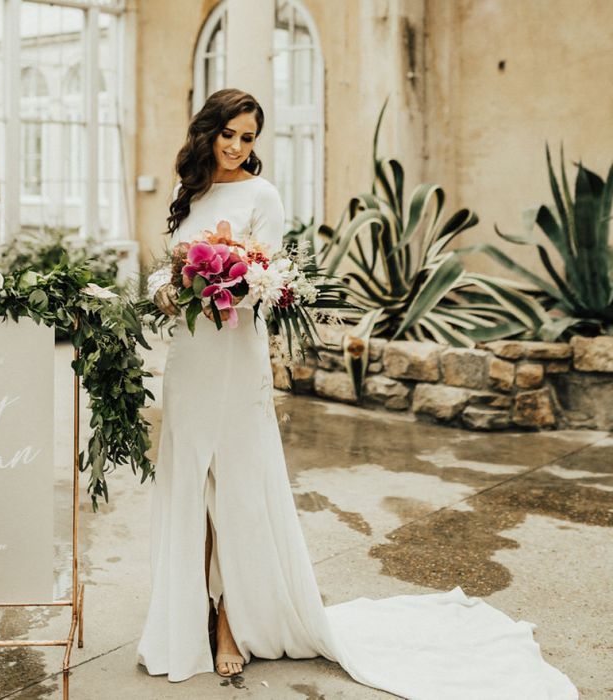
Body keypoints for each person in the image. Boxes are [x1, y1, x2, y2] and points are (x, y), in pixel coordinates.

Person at [136, 88, 578, 699]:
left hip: (236, 358)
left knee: (238, 489)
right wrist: (167, 283)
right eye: (229, 134)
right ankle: (193, 613)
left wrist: (234, 285)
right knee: (191, 484)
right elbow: (167, 262)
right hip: (190, 360)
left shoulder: (262, 196)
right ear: (207, 132)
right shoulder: (192, 193)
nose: (237, 147)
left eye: (248, 137)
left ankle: (234, 622)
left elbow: (271, 276)